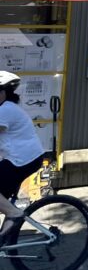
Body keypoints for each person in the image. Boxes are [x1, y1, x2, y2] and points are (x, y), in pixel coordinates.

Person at [0, 71, 44, 242]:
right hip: (17, 158)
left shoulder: (6, 110)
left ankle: (14, 214)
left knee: (9, 208)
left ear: (3, 92)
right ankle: (5, 237)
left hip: (24, 160)